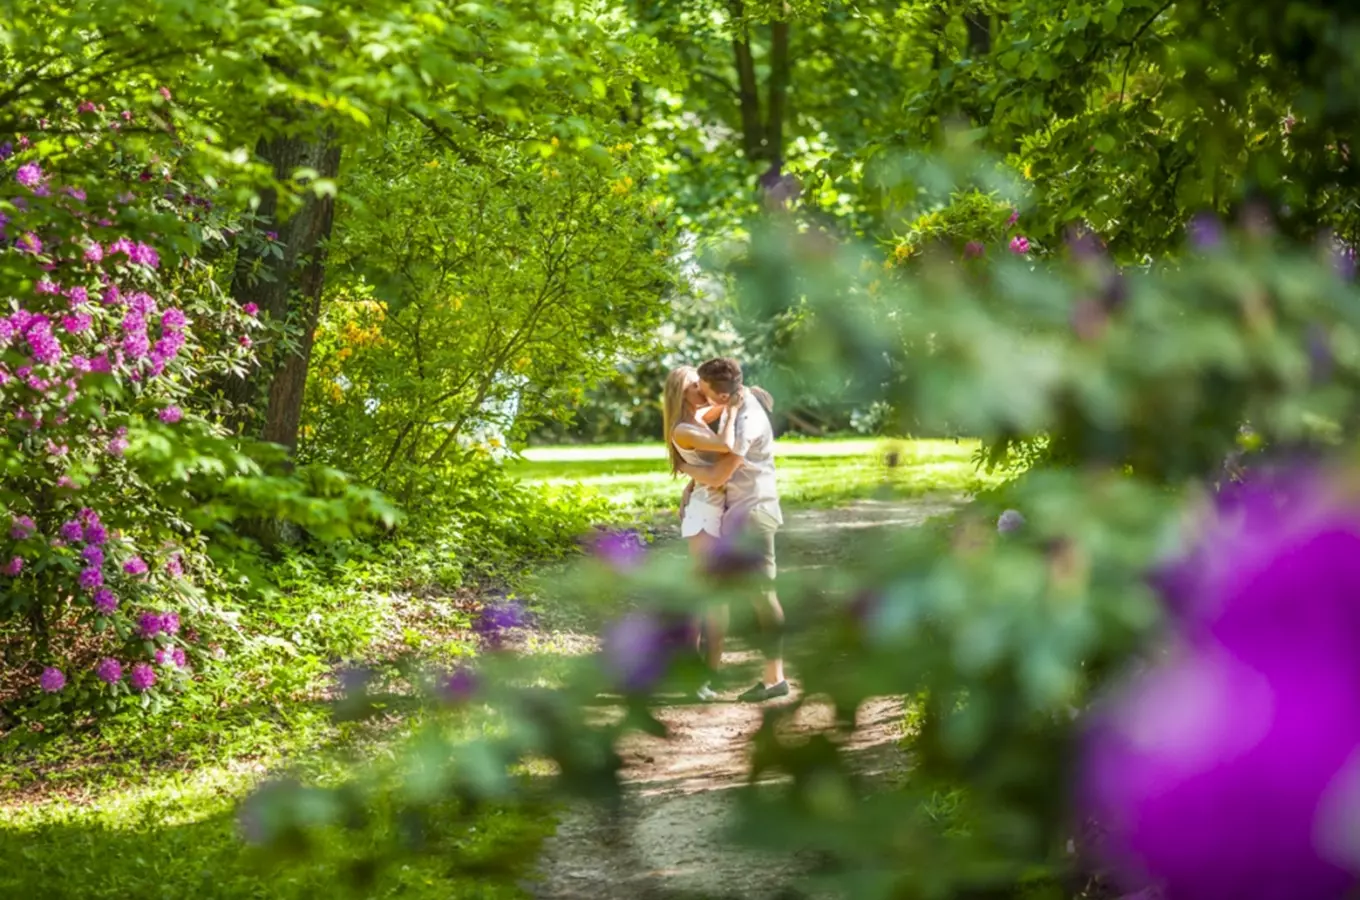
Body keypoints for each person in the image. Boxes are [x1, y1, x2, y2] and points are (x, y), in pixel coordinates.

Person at [676, 357, 787, 703]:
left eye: (703, 390)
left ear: (722, 396)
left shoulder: (746, 421)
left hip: (753, 512)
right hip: (739, 513)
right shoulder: (737, 406)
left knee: (763, 595)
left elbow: (720, 474)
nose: (700, 395)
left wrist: (683, 468)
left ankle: (775, 680)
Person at [662, 365, 744, 701]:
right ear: (684, 393)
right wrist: (735, 409)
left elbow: (724, 400)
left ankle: (701, 675)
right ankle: (698, 676)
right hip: (704, 513)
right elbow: (726, 445)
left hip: (709, 506)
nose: (706, 390)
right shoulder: (684, 428)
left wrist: (741, 396)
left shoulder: (695, 418)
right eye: (698, 386)